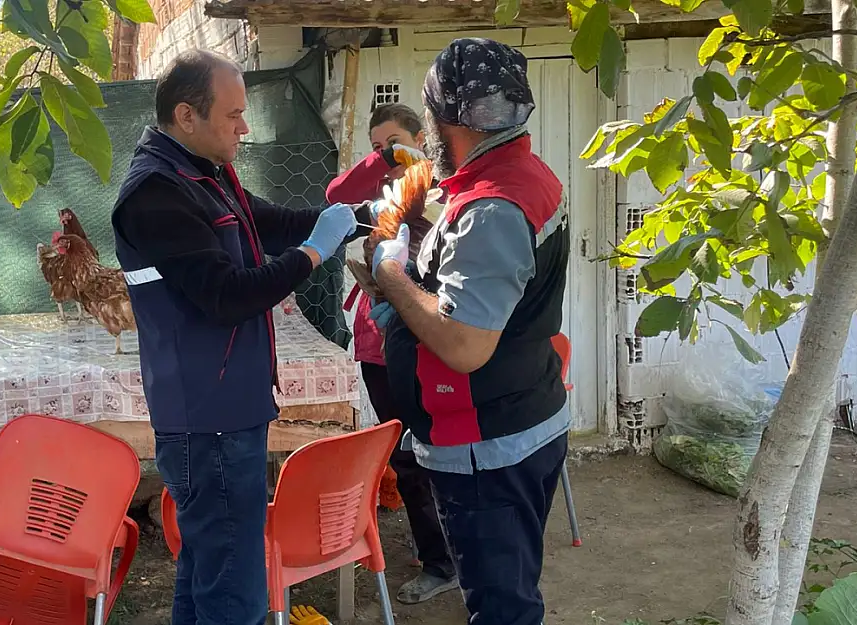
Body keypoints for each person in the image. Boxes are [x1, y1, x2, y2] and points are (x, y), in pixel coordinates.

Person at [111, 50, 367, 625]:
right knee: (237, 594)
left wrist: (348, 215)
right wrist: (315, 252)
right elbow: (225, 297)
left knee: (210, 572)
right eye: (232, 115)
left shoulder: (205, 172)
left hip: (230, 409)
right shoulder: (157, 194)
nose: (244, 128)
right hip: (208, 421)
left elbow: (265, 222)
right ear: (186, 115)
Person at [369, 38, 571, 625]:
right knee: (512, 586)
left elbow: (463, 344)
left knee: (502, 606)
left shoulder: (490, 208)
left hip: (488, 446)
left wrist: (391, 274)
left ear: (442, 117)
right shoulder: (522, 175)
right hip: (522, 417)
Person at [325, 103, 458, 604]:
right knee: (403, 454)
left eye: (397, 142)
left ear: (421, 138)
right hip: (376, 342)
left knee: (426, 452)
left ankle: (447, 560)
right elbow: (336, 195)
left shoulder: (440, 191)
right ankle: (437, 553)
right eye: (380, 146)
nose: (389, 154)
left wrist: (417, 167)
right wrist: (385, 164)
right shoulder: (381, 189)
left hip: (424, 343)